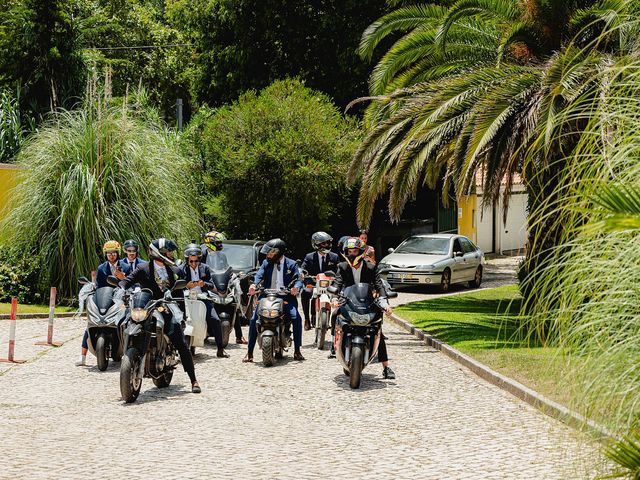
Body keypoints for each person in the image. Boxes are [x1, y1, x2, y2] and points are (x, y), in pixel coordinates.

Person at [119, 238, 201, 393]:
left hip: (166, 308)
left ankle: (193, 380)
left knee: (181, 342)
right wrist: (122, 288)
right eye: (169, 252)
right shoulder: (143, 268)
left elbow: (182, 286)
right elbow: (127, 281)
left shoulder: (175, 271)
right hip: (145, 307)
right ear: (160, 253)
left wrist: (181, 313)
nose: (171, 254)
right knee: (125, 321)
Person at [331, 237, 395, 379]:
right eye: (349, 251)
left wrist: (385, 303)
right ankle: (333, 345)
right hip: (347, 301)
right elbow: (337, 283)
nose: (352, 254)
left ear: (360, 251)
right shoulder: (342, 267)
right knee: (335, 314)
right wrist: (334, 298)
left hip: (368, 303)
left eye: (354, 251)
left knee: (379, 332)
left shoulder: (370, 267)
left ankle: (386, 367)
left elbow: (379, 285)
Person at [243, 238, 304, 362]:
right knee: (254, 319)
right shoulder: (266, 263)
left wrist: (296, 288)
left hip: (286, 297)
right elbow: (259, 275)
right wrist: (254, 285)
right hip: (266, 296)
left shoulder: (291, 264)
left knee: (296, 318)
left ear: (278, 252)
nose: (268, 255)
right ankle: (249, 353)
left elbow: (298, 279)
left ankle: (297, 351)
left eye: (270, 253)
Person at [75, 240, 126, 366]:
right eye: (109, 254)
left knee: (128, 324)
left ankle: (131, 353)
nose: (111, 256)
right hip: (105, 299)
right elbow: (98, 286)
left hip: (121, 301)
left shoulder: (125, 266)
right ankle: (82, 356)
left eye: (114, 253)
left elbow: (130, 282)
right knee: (90, 325)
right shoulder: (102, 268)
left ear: (118, 253)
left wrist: (122, 277)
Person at [181, 243, 229, 358]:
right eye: (191, 261)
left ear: (199, 259)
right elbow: (177, 284)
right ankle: (184, 348)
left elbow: (211, 284)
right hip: (187, 298)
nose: (193, 264)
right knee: (181, 320)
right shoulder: (181, 269)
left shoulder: (205, 268)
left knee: (215, 319)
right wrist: (186, 285)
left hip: (202, 297)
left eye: (196, 261)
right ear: (187, 260)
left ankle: (220, 349)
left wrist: (203, 284)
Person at [201, 230, 248, 345]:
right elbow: (199, 268)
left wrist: (232, 275)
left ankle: (239, 336)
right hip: (206, 283)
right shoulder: (202, 254)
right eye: (217, 242)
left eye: (220, 242)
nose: (220, 245)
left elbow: (225, 268)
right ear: (209, 242)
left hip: (219, 282)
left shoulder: (221, 255)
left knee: (233, 303)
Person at [300, 231, 340, 331]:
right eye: (323, 243)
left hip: (329, 284)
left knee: (339, 295)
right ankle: (307, 319)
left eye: (328, 243)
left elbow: (339, 271)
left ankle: (333, 320)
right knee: (305, 292)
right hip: (313, 284)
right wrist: (302, 273)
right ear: (316, 244)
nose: (326, 245)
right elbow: (303, 268)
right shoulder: (309, 257)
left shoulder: (334, 257)